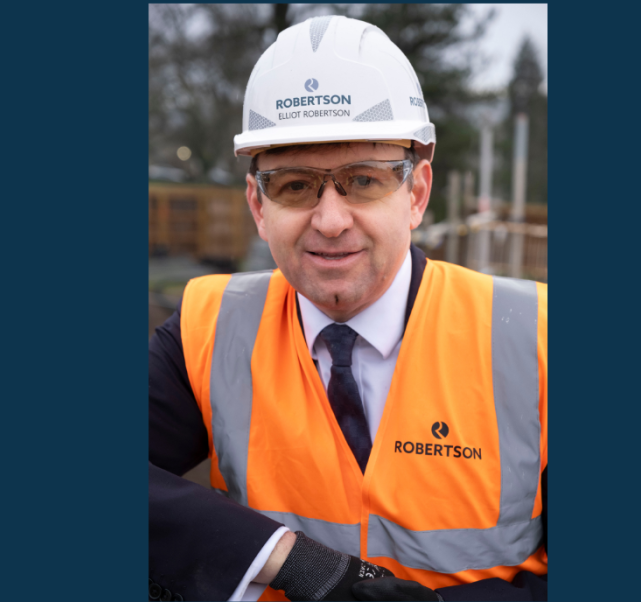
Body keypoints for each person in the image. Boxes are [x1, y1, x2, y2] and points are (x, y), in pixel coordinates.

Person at [150, 15, 547, 601]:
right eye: (294, 185)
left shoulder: (537, 341)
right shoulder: (209, 329)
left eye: (363, 181)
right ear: (258, 207)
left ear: (416, 194)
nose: (331, 221)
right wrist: (294, 562)